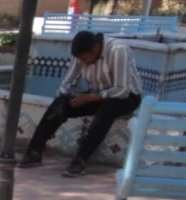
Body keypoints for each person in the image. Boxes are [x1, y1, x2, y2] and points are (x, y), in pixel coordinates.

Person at [17, 30, 143, 177]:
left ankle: (80, 160)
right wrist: (64, 101)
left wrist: (90, 97)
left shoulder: (118, 50)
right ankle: (34, 152)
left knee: (107, 109)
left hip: (126, 97)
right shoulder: (79, 57)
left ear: (96, 48)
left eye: (85, 58)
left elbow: (122, 90)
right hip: (95, 95)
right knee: (59, 104)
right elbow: (67, 84)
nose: (82, 62)